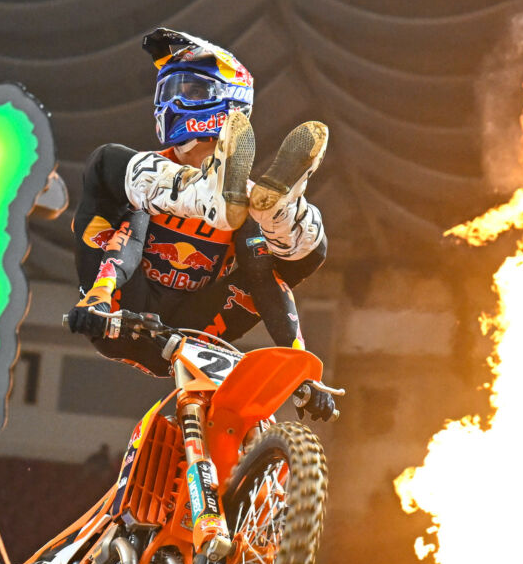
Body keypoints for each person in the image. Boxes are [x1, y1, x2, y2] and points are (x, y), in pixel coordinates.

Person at [68, 27, 332, 391]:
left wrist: (298, 366)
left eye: (191, 91)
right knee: (109, 165)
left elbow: (263, 280)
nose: (172, 102)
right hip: (116, 309)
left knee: (295, 256)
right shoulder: (139, 175)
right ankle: (209, 196)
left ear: (230, 104)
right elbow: (129, 236)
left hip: (189, 331)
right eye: (170, 90)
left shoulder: (246, 199)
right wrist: (97, 298)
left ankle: (284, 215)